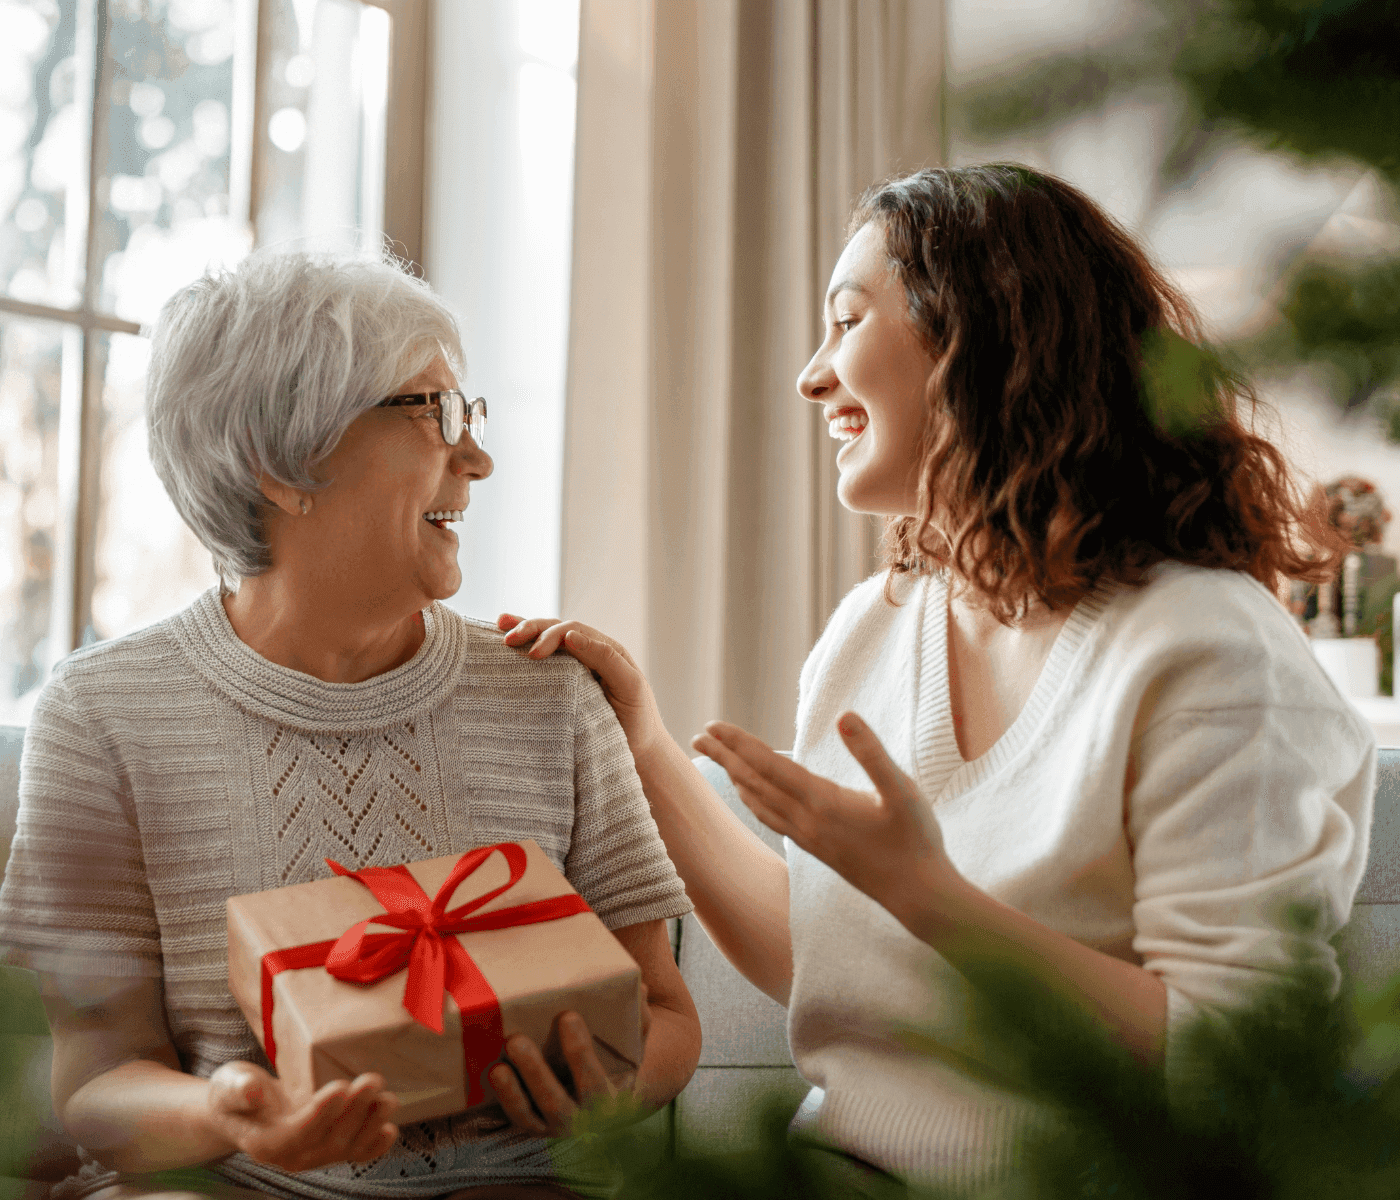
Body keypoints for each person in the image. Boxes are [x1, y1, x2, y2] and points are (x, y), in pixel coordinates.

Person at [500, 165, 1376, 1192]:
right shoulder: (869, 634)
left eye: (847, 321)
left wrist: (930, 895)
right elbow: (827, 960)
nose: (810, 377)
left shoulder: (1207, 648)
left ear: (981, 340)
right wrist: (641, 744)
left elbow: (1239, 1073)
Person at [0, 251, 700, 1200]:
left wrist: (611, 1089)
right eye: (434, 414)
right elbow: (93, 1085)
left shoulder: (553, 695)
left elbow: (665, 1012)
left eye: (472, 415)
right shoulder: (102, 715)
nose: (478, 458)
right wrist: (229, 1113)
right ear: (282, 462)